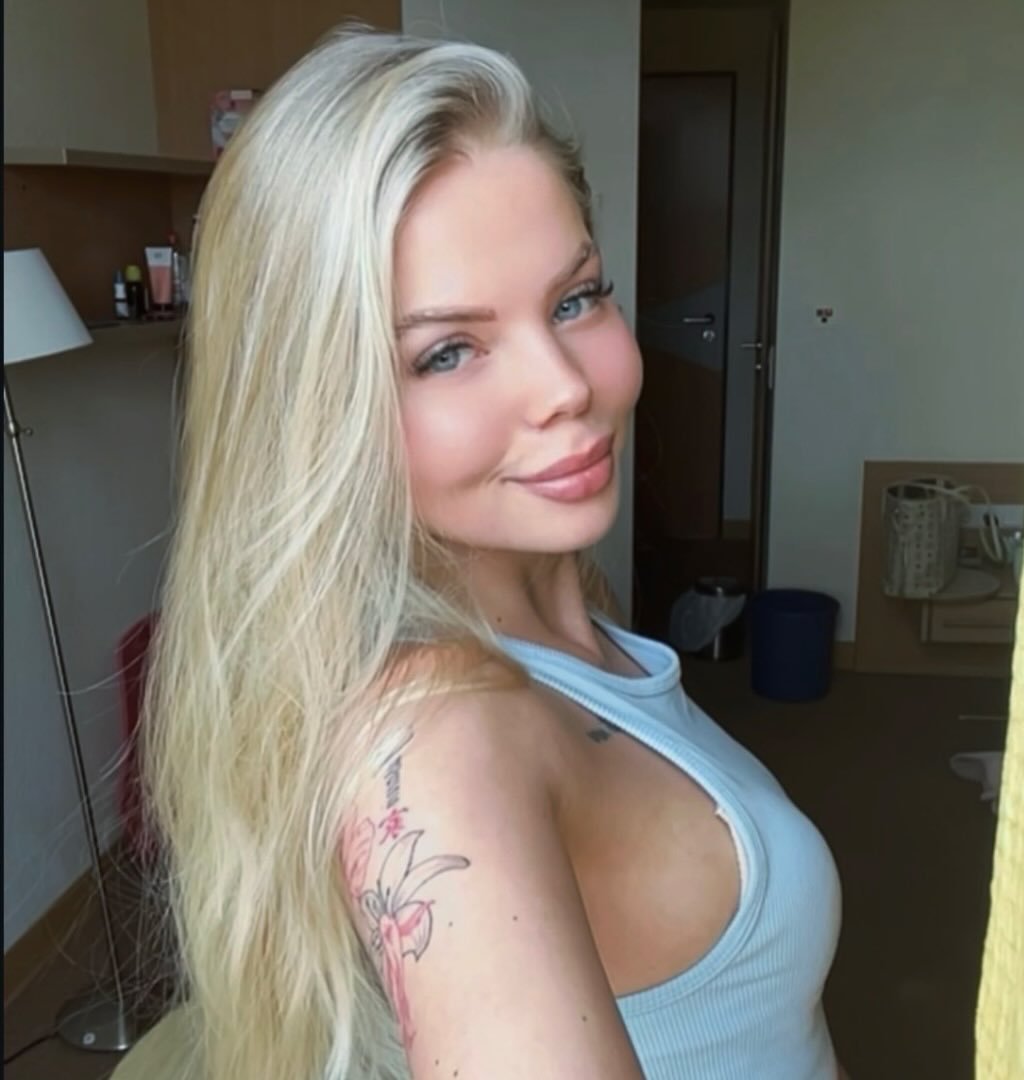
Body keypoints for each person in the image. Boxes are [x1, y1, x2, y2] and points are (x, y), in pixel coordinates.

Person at [144, 23, 844, 1080]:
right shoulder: (442, 743)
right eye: (448, 352)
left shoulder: (567, 619)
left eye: (576, 299)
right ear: (316, 408)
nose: (565, 385)